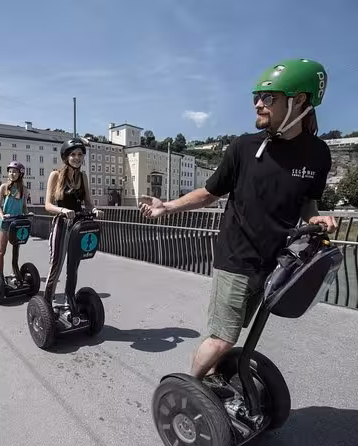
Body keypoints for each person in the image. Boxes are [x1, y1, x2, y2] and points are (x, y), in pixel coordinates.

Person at [139, 58, 339, 382]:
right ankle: (189, 394)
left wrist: (317, 219)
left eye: (268, 97)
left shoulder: (318, 154)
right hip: (234, 257)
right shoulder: (244, 147)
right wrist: (167, 207)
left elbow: (307, 201)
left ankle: (215, 379)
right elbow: (209, 192)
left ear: (299, 100)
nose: (258, 104)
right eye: (256, 96)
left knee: (233, 335)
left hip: (275, 262)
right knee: (222, 337)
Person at [42, 137, 102, 302]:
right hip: (62, 224)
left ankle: (70, 301)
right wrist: (63, 210)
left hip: (78, 226)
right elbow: (47, 205)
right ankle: (47, 302)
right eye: (73, 154)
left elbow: (88, 202)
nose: (77, 158)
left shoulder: (83, 177)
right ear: (66, 157)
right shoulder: (55, 175)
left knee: (73, 267)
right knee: (56, 265)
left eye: (80, 154)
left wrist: (95, 210)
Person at [0, 161, 28, 280]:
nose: (12, 174)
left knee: (16, 251)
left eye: (14, 172)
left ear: (20, 174)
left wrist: (27, 214)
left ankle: (15, 273)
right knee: (1, 251)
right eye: (10, 171)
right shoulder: (4, 187)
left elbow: (23, 206)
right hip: (5, 223)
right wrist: (2, 216)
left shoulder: (24, 189)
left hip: (17, 223)